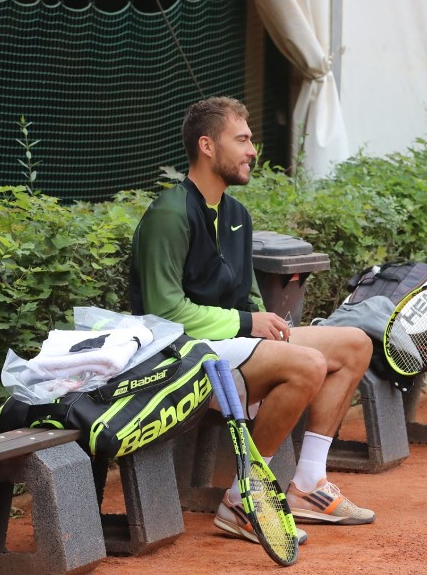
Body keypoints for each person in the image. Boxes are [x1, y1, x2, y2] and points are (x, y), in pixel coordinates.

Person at [130, 97, 376, 545]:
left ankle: (307, 485)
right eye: (241, 140)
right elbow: (163, 313)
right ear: (207, 145)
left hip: (229, 347)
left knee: (355, 344)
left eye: (251, 140)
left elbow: (251, 302)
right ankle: (245, 498)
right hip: (178, 354)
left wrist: (264, 325)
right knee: (307, 365)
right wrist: (248, 323)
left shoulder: (238, 215)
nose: (252, 150)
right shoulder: (169, 214)